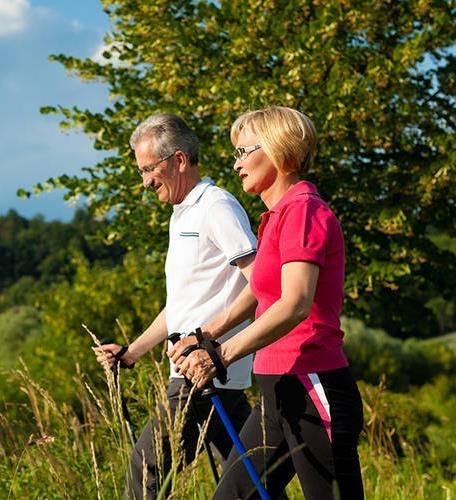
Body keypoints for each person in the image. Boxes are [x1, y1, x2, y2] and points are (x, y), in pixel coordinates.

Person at [170, 106, 364, 499]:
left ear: (279, 151)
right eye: (235, 154)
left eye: (244, 151)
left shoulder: (304, 211)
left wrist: (221, 355)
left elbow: (294, 303)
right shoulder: (276, 216)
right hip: (276, 388)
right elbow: (262, 290)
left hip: (313, 383)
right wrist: (203, 335)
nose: (237, 164)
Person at [95, 113, 258, 499]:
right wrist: (131, 353)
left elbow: (261, 282)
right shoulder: (182, 213)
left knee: (146, 470)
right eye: (141, 171)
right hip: (209, 374)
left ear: (179, 160)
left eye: (149, 168)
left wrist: (211, 343)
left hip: (203, 373)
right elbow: (181, 305)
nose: (145, 181)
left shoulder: (217, 206)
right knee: (247, 480)